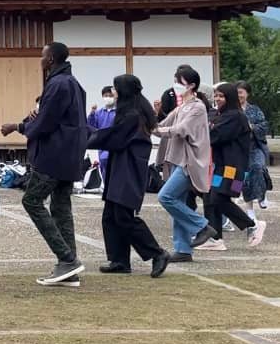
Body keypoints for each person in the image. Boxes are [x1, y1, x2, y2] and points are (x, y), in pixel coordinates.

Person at [1, 42, 88, 286]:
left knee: (32, 201)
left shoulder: (58, 84)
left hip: (54, 155)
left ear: (50, 59)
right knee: (61, 208)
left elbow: (46, 123)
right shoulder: (73, 83)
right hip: (71, 154)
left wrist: (18, 127)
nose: (40, 59)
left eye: (42, 55)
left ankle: (66, 258)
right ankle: (69, 269)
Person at [87, 75, 170, 277]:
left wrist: (85, 135)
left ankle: (157, 253)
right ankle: (119, 259)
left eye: (115, 89)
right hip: (121, 167)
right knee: (111, 215)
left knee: (123, 216)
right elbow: (112, 135)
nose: (112, 93)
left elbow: (114, 138)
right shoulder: (130, 112)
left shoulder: (132, 115)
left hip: (128, 170)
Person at [153, 66, 212, 263]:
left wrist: (159, 130)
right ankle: (183, 248)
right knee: (178, 202)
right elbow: (161, 126)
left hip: (189, 162)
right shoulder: (181, 107)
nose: (176, 85)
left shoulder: (197, 107)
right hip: (178, 161)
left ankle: (202, 226)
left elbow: (181, 129)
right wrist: (149, 120)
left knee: (166, 197)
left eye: (180, 82)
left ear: (192, 85)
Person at [198, 83, 266, 250]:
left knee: (218, 198)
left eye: (221, 96)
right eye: (216, 95)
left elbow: (215, 136)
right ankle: (215, 239)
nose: (217, 99)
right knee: (210, 198)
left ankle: (252, 225)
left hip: (234, 170)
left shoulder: (235, 116)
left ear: (230, 97)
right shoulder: (224, 115)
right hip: (221, 167)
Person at [239, 81, 272, 221]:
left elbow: (264, 126)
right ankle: (249, 209)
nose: (238, 95)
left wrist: (252, 127)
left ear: (247, 93)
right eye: (236, 92)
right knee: (244, 180)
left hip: (255, 147)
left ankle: (262, 195)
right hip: (239, 151)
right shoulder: (231, 110)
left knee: (259, 168)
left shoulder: (254, 109)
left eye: (241, 92)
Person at [88, 86, 117, 182]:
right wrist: (92, 113)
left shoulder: (118, 112)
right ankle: (106, 187)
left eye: (110, 95)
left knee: (110, 163)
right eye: (106, 95)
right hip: (102, 144)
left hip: (113, 143)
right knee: (103, 166)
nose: (108, 97)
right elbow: (91, 126)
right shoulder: (99, 112)